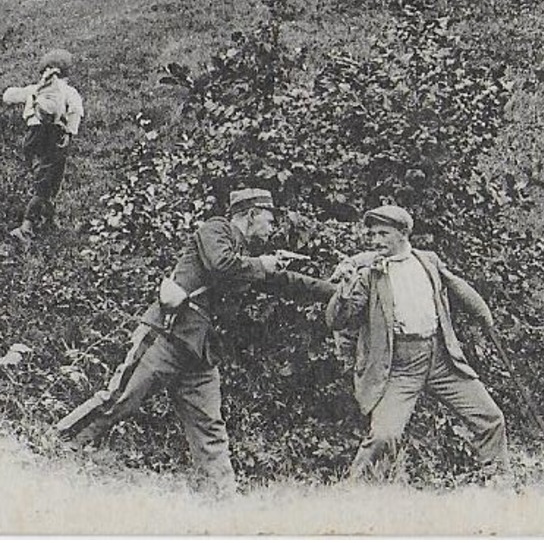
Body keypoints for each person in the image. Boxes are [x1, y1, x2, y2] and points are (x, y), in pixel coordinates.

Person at [55, 188, 335, 496]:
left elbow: (287, 283)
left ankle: (221, 497)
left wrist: (334, 291)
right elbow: (220, 265)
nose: (272, 230)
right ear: (251, 214)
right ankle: (54, 445)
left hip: (200, 353)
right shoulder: (215, 229)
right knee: (119, 400)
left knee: (209, 427)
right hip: (168, 335)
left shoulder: (247, 258)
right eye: (269, 221)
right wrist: (261, 265)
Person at [326, 203, 511, 484]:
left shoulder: (428, 262)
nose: (376, 241)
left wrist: (484, 316)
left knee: (490, 417)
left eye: (383, 234)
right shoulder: (369, 274)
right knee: (385, 435)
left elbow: (457, 285)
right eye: (373, 234)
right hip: (398, 366)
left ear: (402, 233)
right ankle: (354, 492)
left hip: (441, 359)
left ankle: (499, 481)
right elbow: (337, 320)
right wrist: (345, 288)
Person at [1, 49, 85, 243]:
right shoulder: (69, 91)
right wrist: (69, 134)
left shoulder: (35, 89)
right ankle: (26, 227)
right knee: (49, 182)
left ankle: (47, 219)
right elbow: (75, 112)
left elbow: (9, 96)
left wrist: (29, 94)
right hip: (53, 136)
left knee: (44, 179)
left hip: (33, 137)